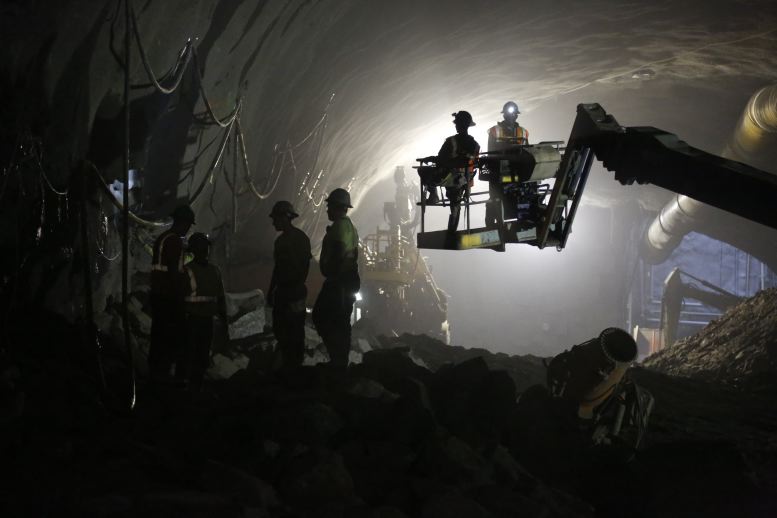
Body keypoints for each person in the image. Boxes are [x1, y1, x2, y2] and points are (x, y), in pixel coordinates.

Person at [312, 188, 360, 367]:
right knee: (340, 321)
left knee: (322, 316)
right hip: (346, 280)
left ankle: (338, 361)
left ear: (337, 207)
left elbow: (339, 253)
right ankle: (339, 361)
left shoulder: (340, 226)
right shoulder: (348, 227)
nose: (327, 210)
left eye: (329, 206)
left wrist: (332, 275)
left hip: (340, 281)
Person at [149, 204, 195, 382]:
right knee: (169, 336)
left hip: (159, 293)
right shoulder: (174, 240)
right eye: (189, 224)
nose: (189, 227)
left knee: (159, 334)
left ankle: (156, 372)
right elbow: (174, 273)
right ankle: (163, 374)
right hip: (167, 296)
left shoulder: (164, 237)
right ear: (183, 223)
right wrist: (181, 297)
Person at [267, 200, 311, 369]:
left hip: (294, 291)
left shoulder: (300, 239)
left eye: (276, 218)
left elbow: (304, 267)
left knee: (295, 331)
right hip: (284, 292)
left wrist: (296, 287)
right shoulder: (279, 242)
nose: (273, 222)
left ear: (285, 217)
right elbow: (277, 269)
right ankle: (287, 364)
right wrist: (271, 291)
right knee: (281, 329)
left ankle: (295, 366)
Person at [182, 232, 227, 390]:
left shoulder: (215, 270)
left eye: (205, 246)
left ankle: (196, 385)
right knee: (190, 354)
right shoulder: (187, 270)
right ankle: (186, 385)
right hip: (191, 319)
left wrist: (224, 322)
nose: (204, 250)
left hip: (206, 320)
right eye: (201, 246)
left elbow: (220, 298)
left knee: (202, 354)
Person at [485, 101, 529, 227]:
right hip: (499, 170)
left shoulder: (523, 132)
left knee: (524, 194)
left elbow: (528, 151)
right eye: (509, 114)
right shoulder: (494, 131)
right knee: (496, 198)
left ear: (517, 115)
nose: (511, 116)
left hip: (519, 171)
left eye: (514, 114)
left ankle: (524, 219)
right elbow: (490, 153)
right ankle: (494, 223)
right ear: (504, 115)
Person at [437, 110, 481, 235]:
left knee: (425, 174)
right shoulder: (475, 145)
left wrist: (431, 159)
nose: (456, 126)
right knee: (456, 204)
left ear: (461, 124)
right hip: (467, 179)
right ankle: (452, 228)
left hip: (452, 178)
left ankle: (432, 195)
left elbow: (441, 159)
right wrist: (469, 185)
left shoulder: (451, 142)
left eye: (457, 124)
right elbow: (474, 164)